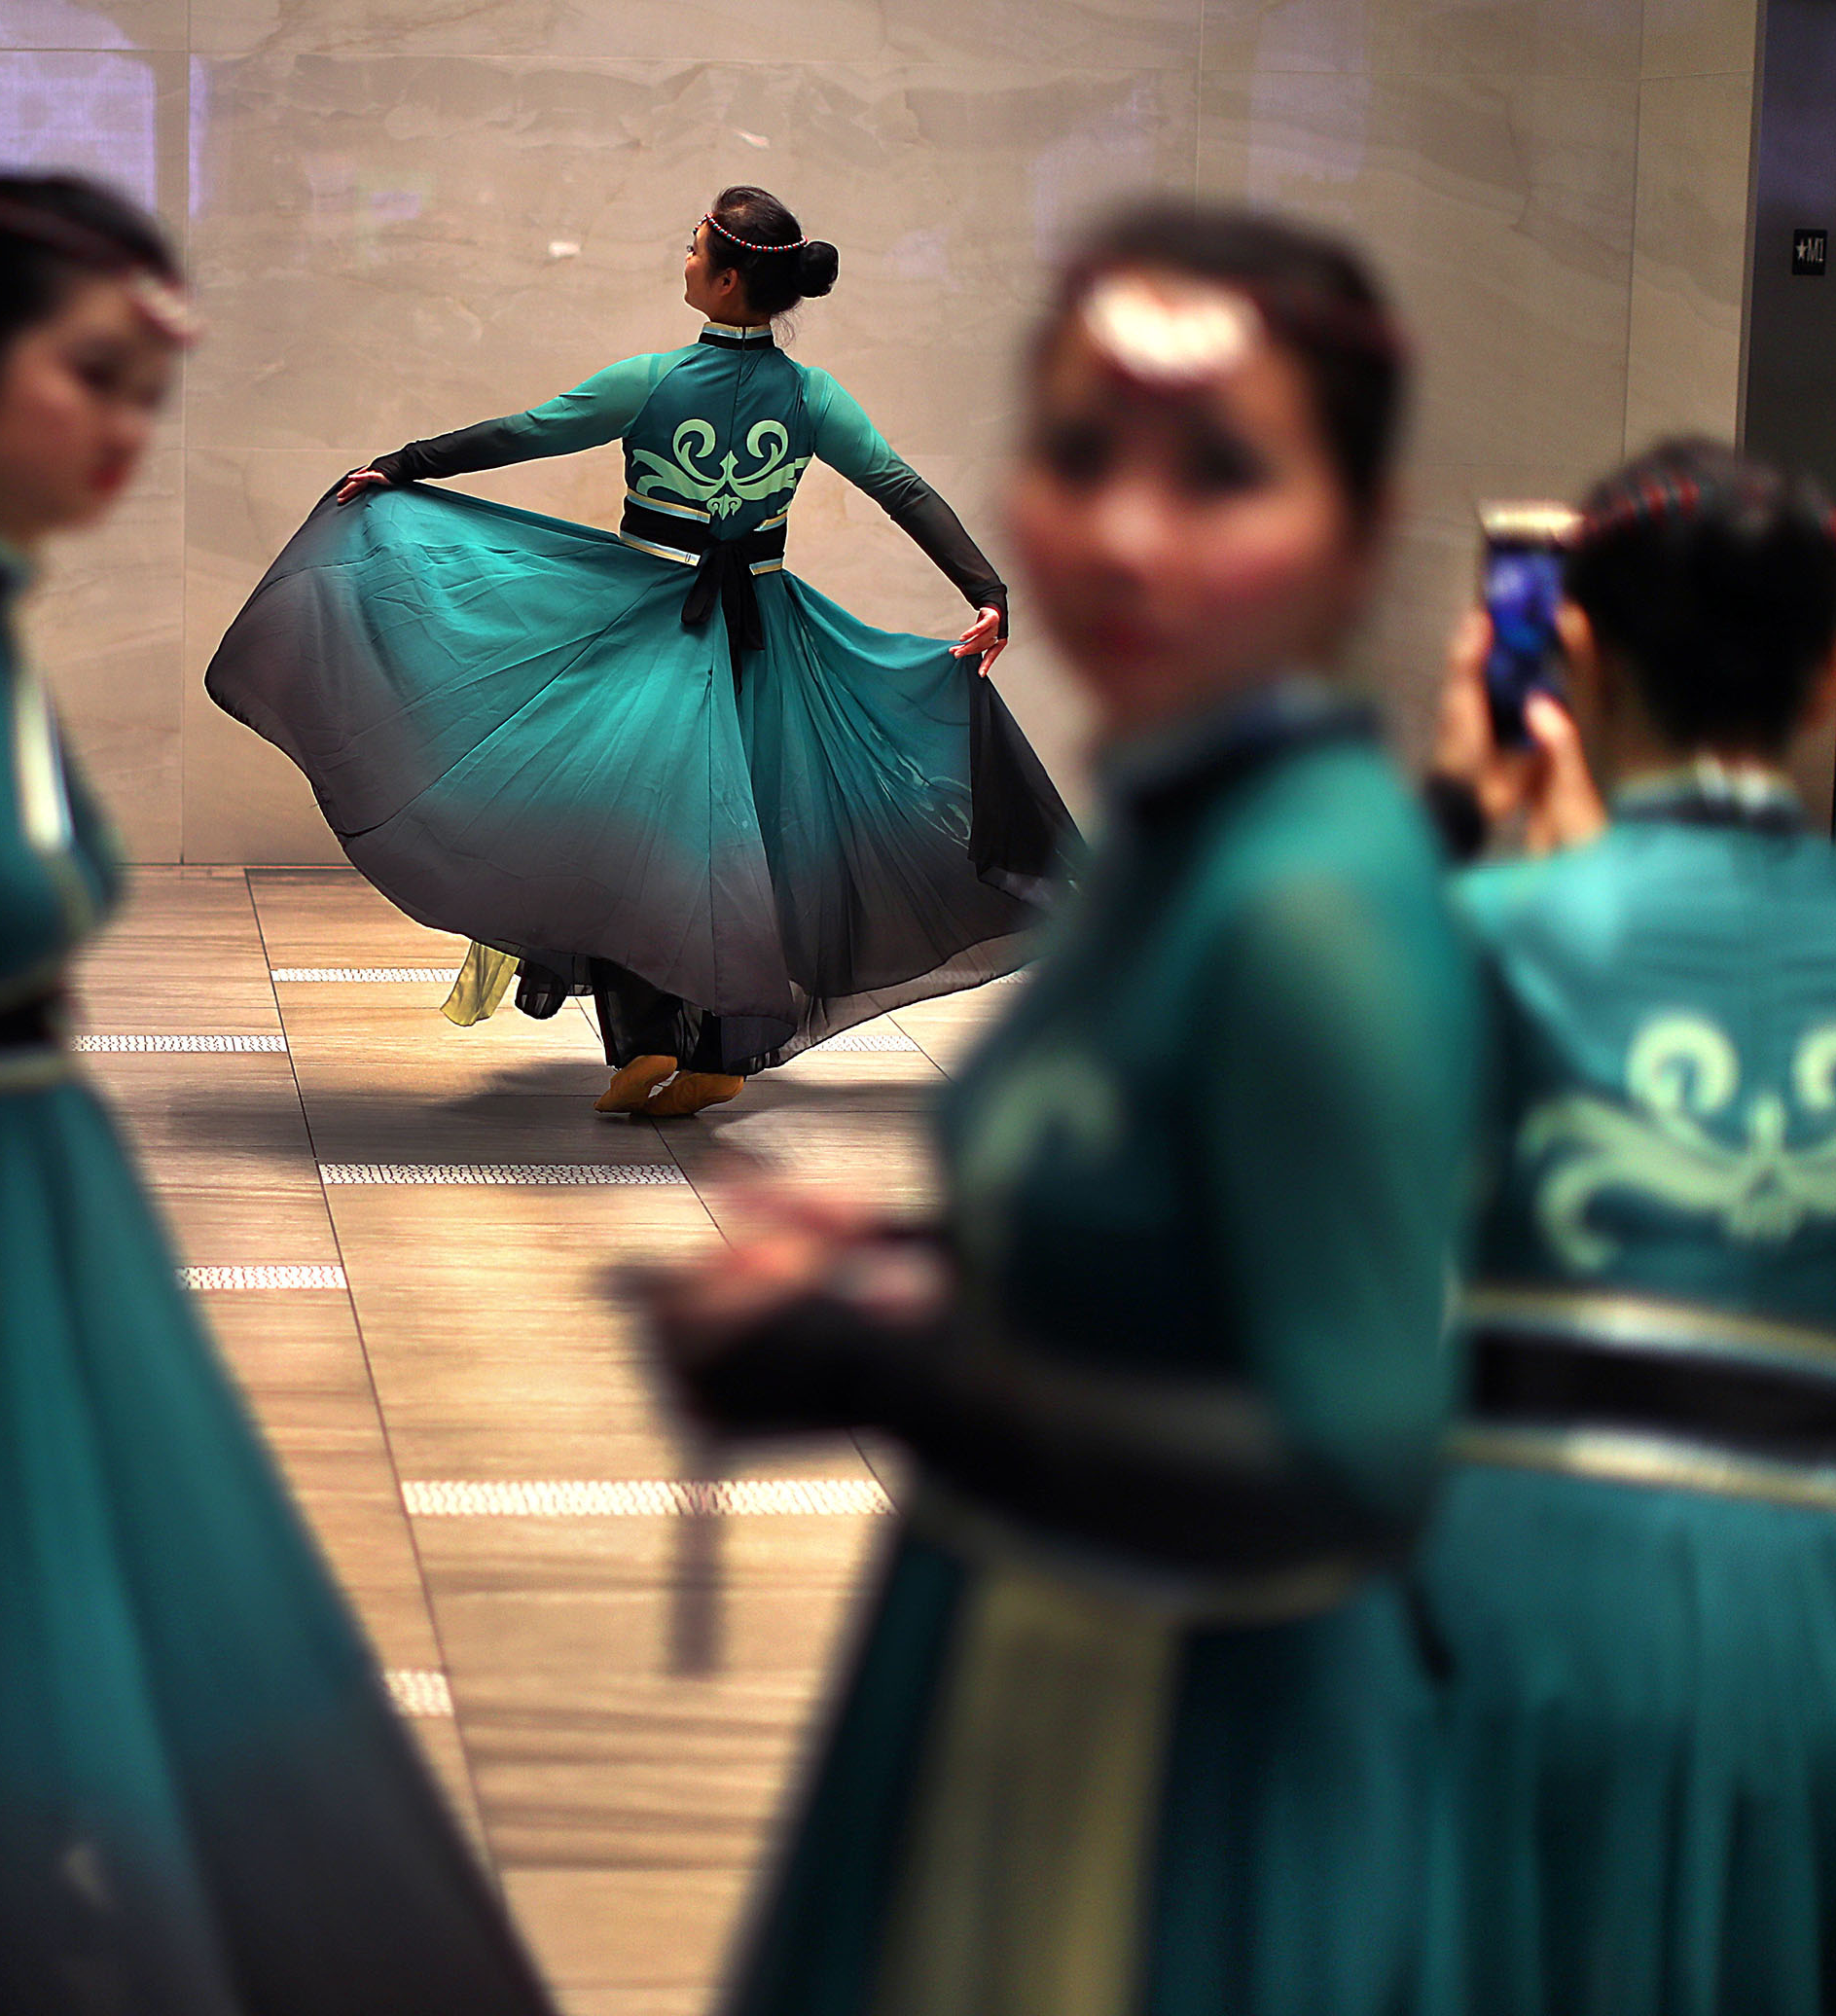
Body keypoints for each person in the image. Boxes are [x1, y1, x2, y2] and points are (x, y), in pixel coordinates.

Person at [0, 171, 557, 2016]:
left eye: (151, 390)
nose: (129, 431)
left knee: (52, 1679)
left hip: (19, 1218)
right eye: (90, 376)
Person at [630, 201, 1482, 2015]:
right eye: (1080, 451)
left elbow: (1349, 1445)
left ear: (1356, 530)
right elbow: (1178, 1246)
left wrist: (894, 1356)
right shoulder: (1187, 841)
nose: (1125, 528)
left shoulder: (1309, 899)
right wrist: (925, 1258)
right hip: (1039, 1681)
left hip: (1187, 1766)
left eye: (1221, 471)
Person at [1419, 437, 1836, 2011]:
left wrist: (1454, 809)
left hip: (1533, 1616)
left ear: (1571, 650)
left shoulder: (1489, 931)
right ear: (1829, 678)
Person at [204, 185, 1075, 1118]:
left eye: (697, 249)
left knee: (628, 834)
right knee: (735, 843)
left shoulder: (652, 379)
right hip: (765, 637)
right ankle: (691, 1047)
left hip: (654, 628)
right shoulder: (814, 396)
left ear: (732, 276)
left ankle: (667, 1044)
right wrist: (986, 590)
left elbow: (525, 434)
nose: (687, 261)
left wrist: (404, 465)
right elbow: (900, 486)